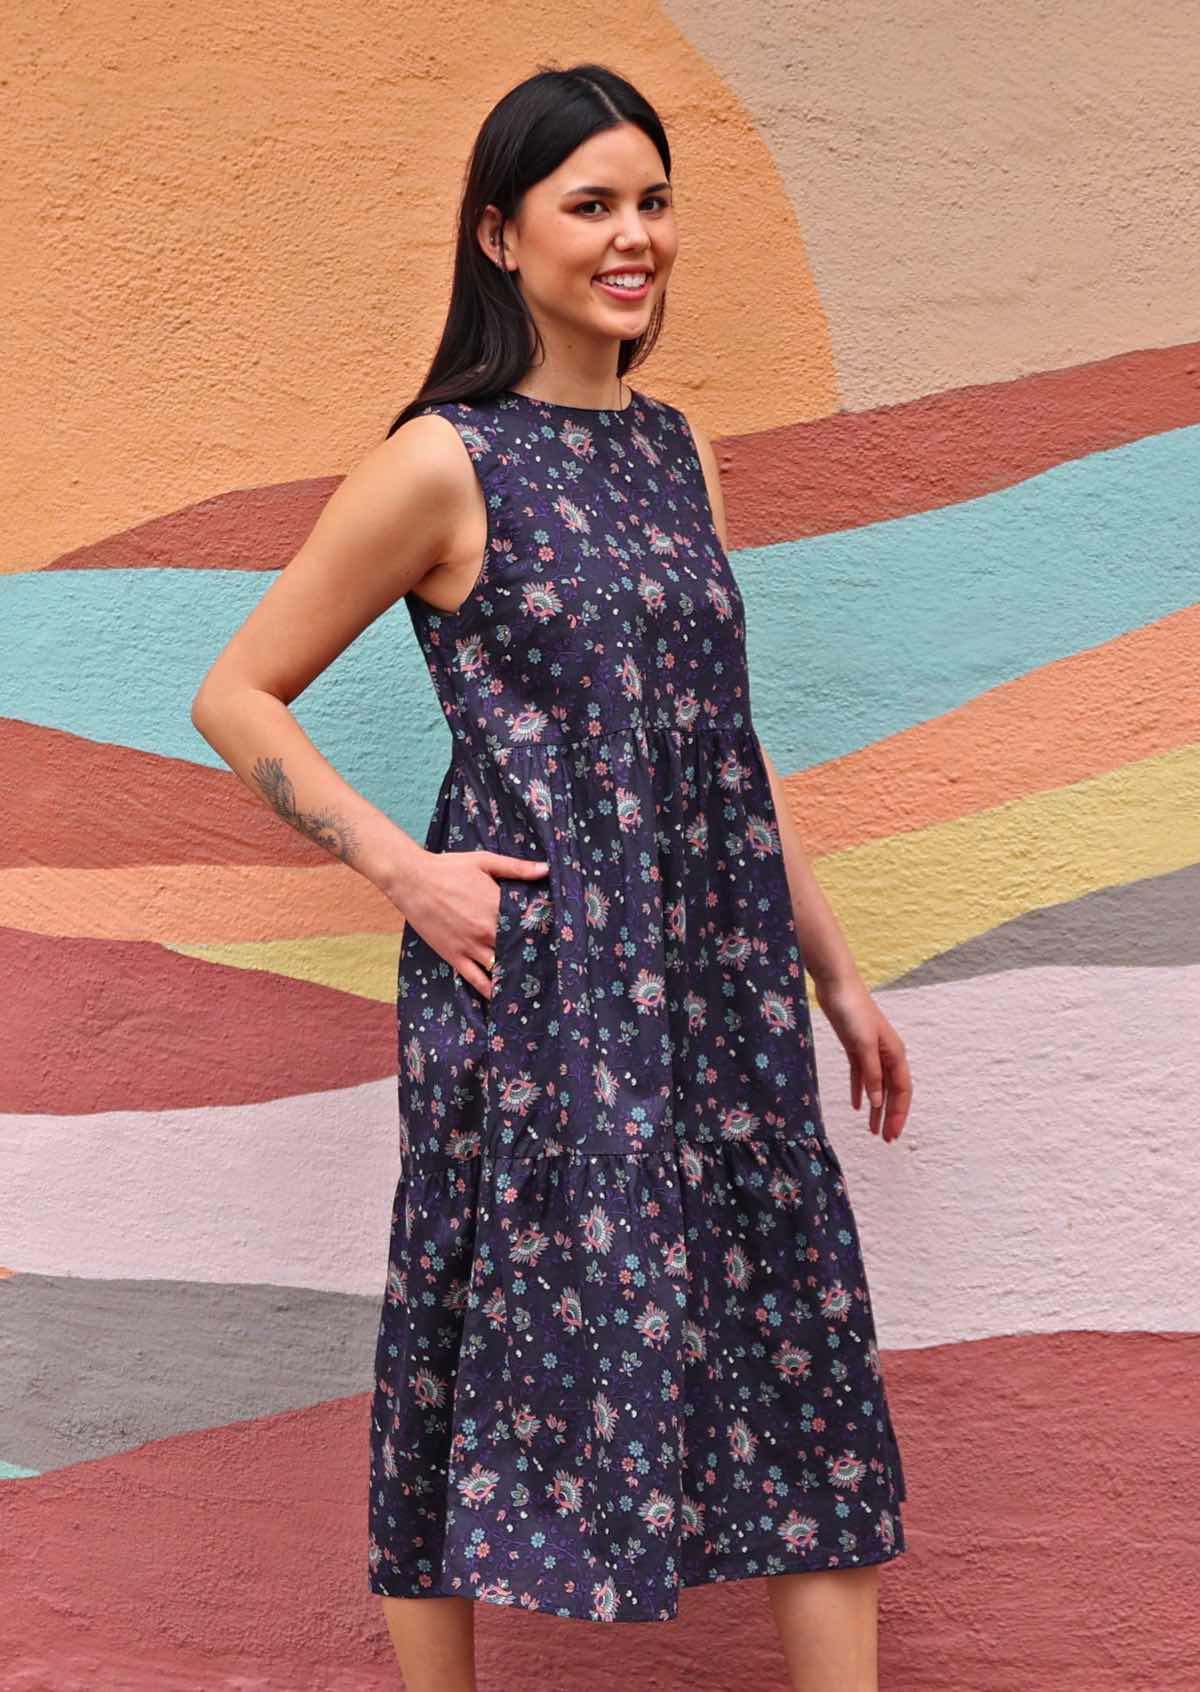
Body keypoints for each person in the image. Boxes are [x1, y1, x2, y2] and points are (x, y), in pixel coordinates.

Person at [191, 60, 913, 1692]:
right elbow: (235, 693)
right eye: (592, 205)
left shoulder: (681, 455)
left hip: (721, 988)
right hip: (541, 994)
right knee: (465, 1338)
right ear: (501, 236)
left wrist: (836, 969)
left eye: (653, 202)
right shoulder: (444, 461)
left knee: (796, 1348)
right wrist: (405, 870)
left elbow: (721, 751)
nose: (633, 236)